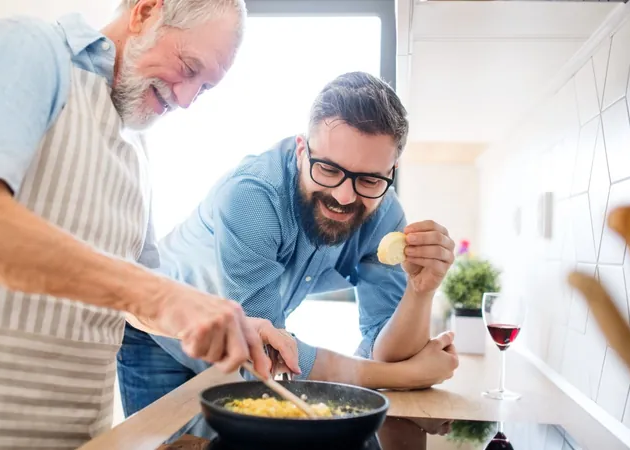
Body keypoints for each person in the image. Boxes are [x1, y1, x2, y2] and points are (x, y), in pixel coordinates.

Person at [0, 1, 276, 449]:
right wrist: (159, 294)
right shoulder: (28, 46)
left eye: (205, 88)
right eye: (189, 67)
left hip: (83, 430)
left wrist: (226, 322)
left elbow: (141, 294)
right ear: (145, 12)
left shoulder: (136, 148)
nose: (187, 99)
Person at [118, 71, 460, 417]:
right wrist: (402, 376)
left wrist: (421, 291)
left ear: (391, 170)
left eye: (370, 179)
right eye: (328, 169)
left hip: (242, 348)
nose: (344, 196)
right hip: (160, 340)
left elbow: (385, 346)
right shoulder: (251, 195)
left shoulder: (384, 213)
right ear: (301, 151)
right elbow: (270, 352)